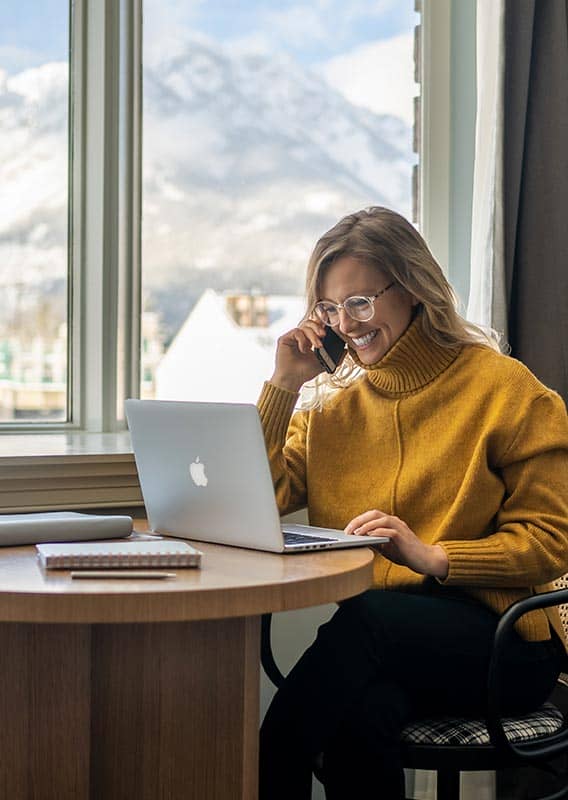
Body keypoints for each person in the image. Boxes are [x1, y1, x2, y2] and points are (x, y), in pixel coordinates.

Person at [256, 206, 568, 799]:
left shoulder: (505, 391)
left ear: (414, 289)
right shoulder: (330, 407)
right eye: (329, 308)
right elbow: (266, 496)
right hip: (383, 648)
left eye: (361, 302)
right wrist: (285, 386)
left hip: (501, 645)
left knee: (362, 622)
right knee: (358, 719)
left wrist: (432, 557)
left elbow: (551, 545)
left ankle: (274, 760)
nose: (345, 324)